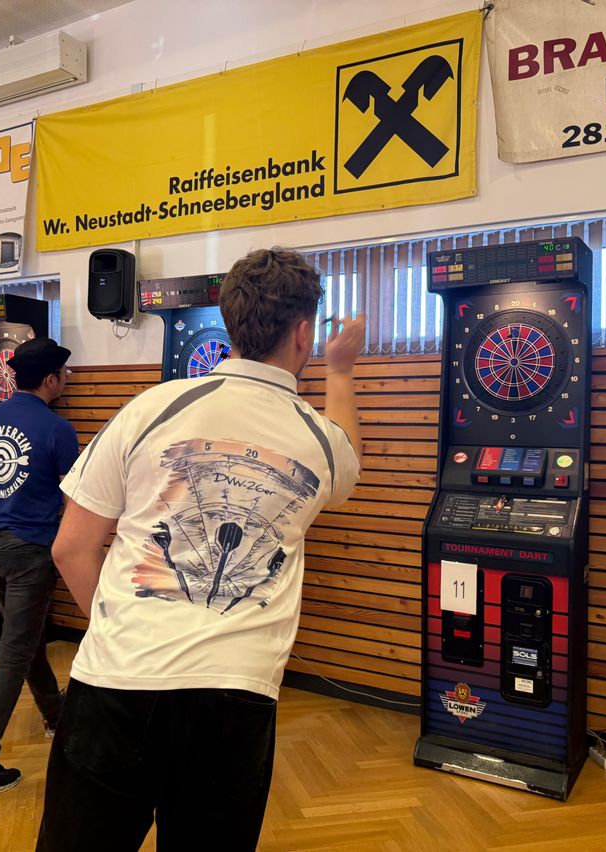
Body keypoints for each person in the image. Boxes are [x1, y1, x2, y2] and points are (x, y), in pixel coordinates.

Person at [37, 248, 364, 851]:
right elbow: (347, 467)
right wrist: (340, 372)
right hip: (233, 698)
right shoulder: (322, 441)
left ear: (228, 320)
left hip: (115, 680)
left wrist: (116, 628)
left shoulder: (149, 408)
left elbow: (71, 549)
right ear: (303, 332)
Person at [0, 337, 79, 799]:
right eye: (64, 375)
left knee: (25, 641)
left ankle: (54, 713)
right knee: (14, 654)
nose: (66, 382)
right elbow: (74, 499)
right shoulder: (58, 429)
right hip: (30, 555)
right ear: (50, 380)